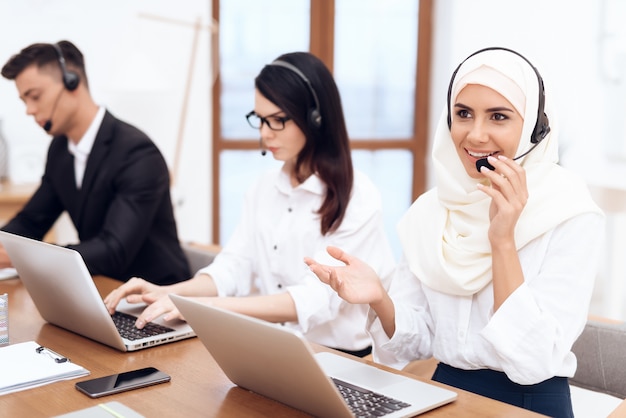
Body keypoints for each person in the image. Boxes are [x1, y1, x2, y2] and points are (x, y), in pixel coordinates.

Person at [305, 47, 605, 417]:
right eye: (463, 114)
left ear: (534, 128)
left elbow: (535, 361)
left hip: (531, 403)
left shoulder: (570, 211)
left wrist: (503, 240)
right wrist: (381, 299)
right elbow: (419, 341)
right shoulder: (432, 210)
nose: (476, 135)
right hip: (444, 391)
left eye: (498, 116)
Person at [104, 51, 396, 357]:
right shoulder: (263, 188)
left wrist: (202, 308)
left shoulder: (359, 196)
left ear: (316, 118)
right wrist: (167, 292)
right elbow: (234, 267)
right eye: (260, 119)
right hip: (280, 347)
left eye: (278, 120)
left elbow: (316, 299)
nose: (265, 133)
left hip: (342, 356)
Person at [0, 40, 190, 285]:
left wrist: (24, 257)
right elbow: (31, 221)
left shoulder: (138, 153)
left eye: (35, 96)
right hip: (101, 288)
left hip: (156, 296)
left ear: (72, 83)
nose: (29, 110)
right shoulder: (60, 149)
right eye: (24, 101)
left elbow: (114, 250)